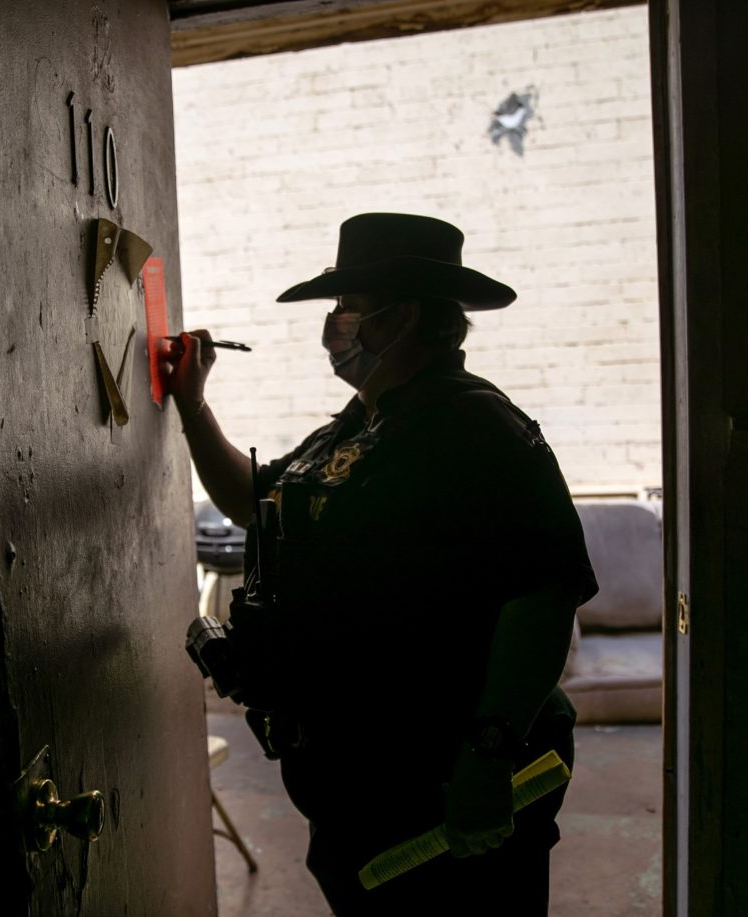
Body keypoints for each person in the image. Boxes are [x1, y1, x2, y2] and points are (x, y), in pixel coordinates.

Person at [163, 213, 598, 914]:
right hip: (360, 789)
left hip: (444, 785)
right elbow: (251, 501)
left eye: (348, 310)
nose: (334, 326)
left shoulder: (477, 426)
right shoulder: (357, 423)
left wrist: (490, 751)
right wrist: (191, 402)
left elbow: (545, 593)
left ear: (406, 317)